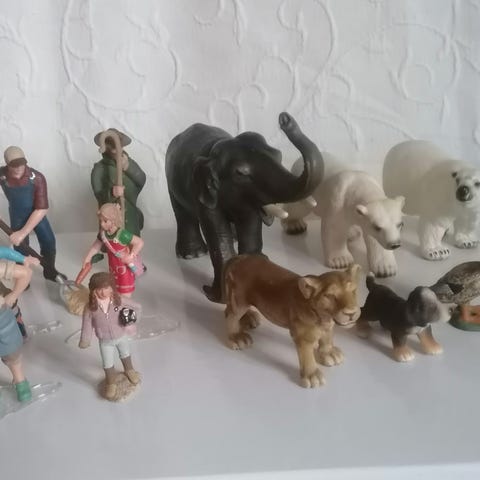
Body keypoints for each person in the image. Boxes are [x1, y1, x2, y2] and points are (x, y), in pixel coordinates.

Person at [0, 146, 64, 281]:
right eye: (14, 165)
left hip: (36, 215)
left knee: (48, 240)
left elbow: (42, 208)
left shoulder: (37, 178)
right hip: (17, 215)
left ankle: (49, 271)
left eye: (21, 163)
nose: (18, 168)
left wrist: (23, 232)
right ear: (7, 164)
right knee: (20, 246)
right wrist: (20, 234)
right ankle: (21, 275)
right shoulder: (2, 175)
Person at [78, 272, 140, 401]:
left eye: (106, 288)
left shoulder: (119, 300)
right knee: (107, 362)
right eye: (99, 289)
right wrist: (85, 339)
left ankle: (129, 370)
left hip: (121, 335)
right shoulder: (90, 308)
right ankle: (111, 382)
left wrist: (131, 320)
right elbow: (87, 325)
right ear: (93, 290)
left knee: (125, 354)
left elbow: (136, 306)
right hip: (105, 341)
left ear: (112, 287)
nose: (103, 292)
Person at [91, 129, 146, 237]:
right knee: (113, 240)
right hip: (111, 222)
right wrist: (112, 193)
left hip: (131, 219)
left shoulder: (127, 162)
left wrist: (128, 166)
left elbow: (141, 179)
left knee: (132, 240)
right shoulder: (99, 169)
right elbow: (99, 195)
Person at [82, 203, 144, 297]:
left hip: (124, 267)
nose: (102, 224)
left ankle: (126, 304)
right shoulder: (103, 234)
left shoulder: (122, 234)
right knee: (114, 288)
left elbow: (139, 242)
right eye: (100, 221)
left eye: (105, 221)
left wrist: (131, 256)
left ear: (113, 220)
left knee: (125, 292)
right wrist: (87, 258)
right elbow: (96, 246)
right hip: (113, 267)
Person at [0, 246, 40, 339]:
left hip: (5, 300)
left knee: (13, 311)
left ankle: (19, 327)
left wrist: (13, 296)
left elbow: (5, 252)